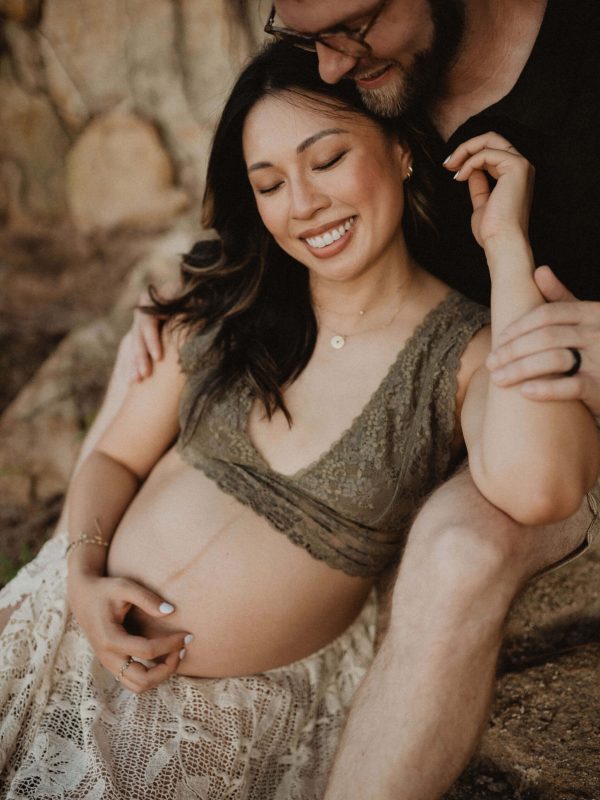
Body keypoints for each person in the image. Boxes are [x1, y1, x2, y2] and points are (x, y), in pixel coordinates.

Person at [1, 39, 597, 798]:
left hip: (207, 733)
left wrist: (507, 248)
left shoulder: (462, 353)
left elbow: (539, 484)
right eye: (270, 183)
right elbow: (114, 458)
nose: (304, 203)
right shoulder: (232, 307)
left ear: (402, 151)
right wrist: (83, 577)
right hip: (60, 640)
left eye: (326, 160)